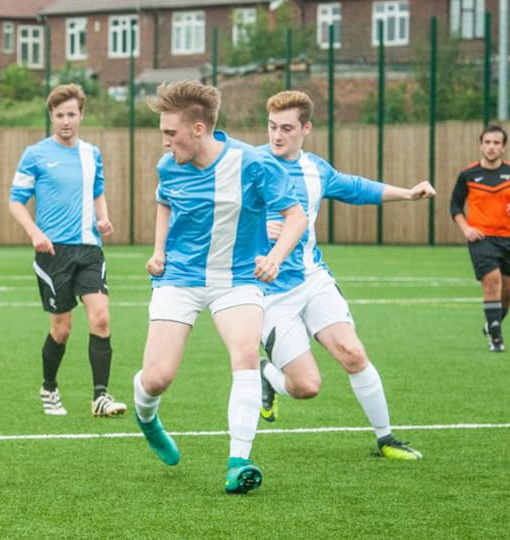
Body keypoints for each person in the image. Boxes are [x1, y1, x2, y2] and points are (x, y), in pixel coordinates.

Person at [132, 80, 307, 495]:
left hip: (237, 279)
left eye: (170, 133)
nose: (164, 142)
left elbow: (295, 216)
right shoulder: (169, 166)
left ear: (198, 129)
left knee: (246, 353)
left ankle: (238, 462)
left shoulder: (252, 163)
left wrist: (275, 256)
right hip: (180, 278)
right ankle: (146, 416)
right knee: (157, 378)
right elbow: (164, 202)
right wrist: (158, 250)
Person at [257, 90, 433, 460]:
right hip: (269, 293)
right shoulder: (251, 165)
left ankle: (385, 439)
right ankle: (267, 375)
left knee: (353, 353)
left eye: (287, 128)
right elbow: (224, 213)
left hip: (312, 278)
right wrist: (260, 228)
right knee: (306, 386)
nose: (277, 136)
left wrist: (408, 194)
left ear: (306, 128)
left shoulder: (315, 170)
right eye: (272, 126)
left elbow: (356, 188)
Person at [9, 83, 127, 418]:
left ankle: (100, 397)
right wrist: (34, 232)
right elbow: (15, 202)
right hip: (53, 253)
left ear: (81, 115)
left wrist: (104, 218)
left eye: (71, 114)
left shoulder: (92, 154)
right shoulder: (35, 154)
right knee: (62, 329)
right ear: (51, 116)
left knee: (101, 319)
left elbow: (98, 192)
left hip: (90, 249)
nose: (66, 121)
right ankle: (49, 387)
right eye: (59, 115)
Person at [451, 124, 510, 352]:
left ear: (503, 147)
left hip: (507, 238)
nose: (491, 147)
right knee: (492, 280)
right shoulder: (468, 174)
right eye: (487, 142)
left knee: (507, 291)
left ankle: (492, 322)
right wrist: (466, 228)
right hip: (481, 238)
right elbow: (454, 205)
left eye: (496, 143)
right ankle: (496, 338)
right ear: (480, 145)